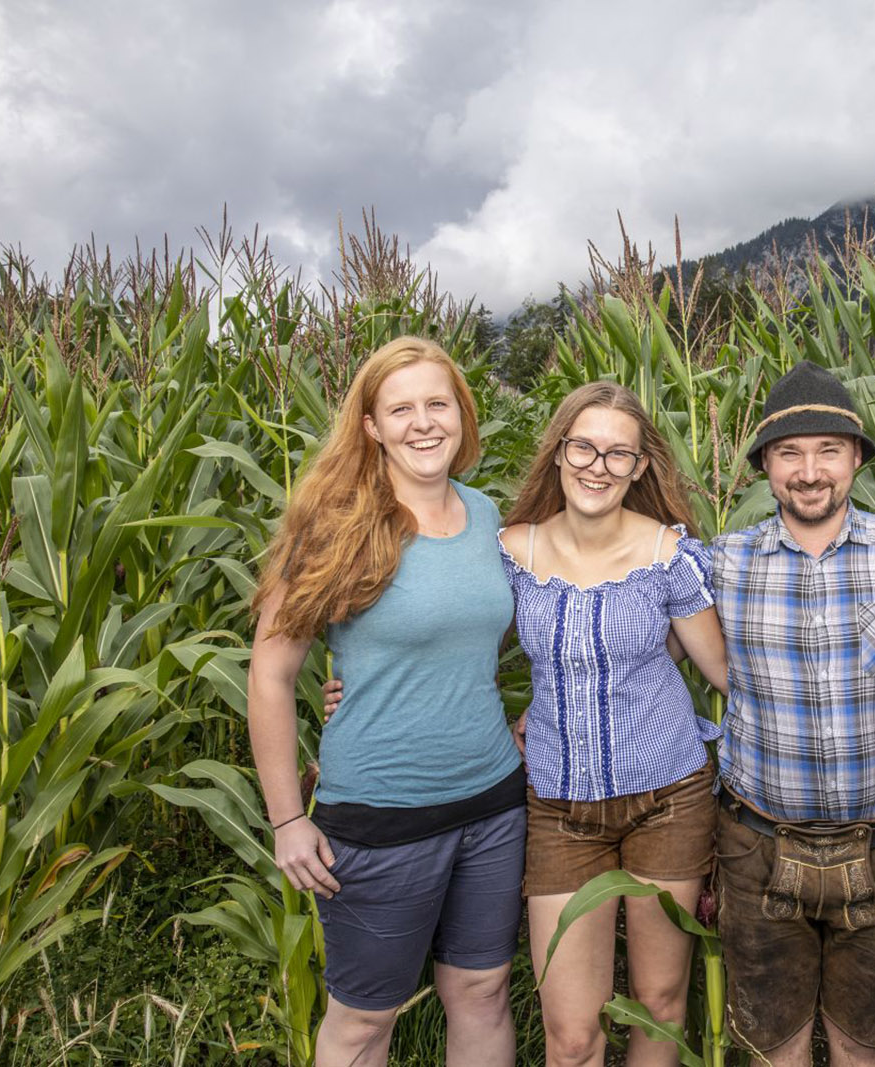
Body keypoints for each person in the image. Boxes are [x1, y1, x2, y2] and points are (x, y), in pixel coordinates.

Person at [248, 336, 524, 1067]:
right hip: (378, 815)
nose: (423, 422)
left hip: (493, 804)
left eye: (438, 403)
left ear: (462, 415)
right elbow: (271, 674)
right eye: (400, 409)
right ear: (371, 425)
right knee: (364, 1022)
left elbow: (487, 640)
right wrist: (285, 819)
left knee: (483, 989)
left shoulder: (487, 515)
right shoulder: (334, 527)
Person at [711, 361, 875, 1066]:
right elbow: (646, 659)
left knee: (865, 1046)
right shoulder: (723, 563)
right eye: (789, 453)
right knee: (771, 1045)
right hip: (757, 848)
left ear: (858, 459)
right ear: (763, 466)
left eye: (828, 451)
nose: (809, 471)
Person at [497, 382, 728, 1067]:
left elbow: (726, 673)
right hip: (561, 810)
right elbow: (456, 650)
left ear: (640, 467)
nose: (598, 465)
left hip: (669, 799)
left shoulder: (668, 555)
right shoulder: (512, 553)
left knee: (658, 1005)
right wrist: (356, 690)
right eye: (584, 446)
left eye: (618, 453)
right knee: (571, 1034)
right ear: (559, 451)